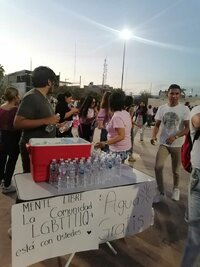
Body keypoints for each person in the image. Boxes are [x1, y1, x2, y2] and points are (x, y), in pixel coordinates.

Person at [14, 66, 61, 173]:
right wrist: (46, 120)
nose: (54, 86)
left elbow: (43, 120)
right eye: (53, 82)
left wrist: (56, 124)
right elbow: (17, 123)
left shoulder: (43, 97)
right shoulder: (31, 96)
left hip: (42, 147)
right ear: (49, 82)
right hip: (34, 149)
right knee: (33, 181)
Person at [150, 84, 190, 203]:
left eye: (177, 94)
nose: (174, 96)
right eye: (172, 93)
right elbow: (157, 125)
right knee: (158, 167)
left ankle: (176, 189)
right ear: (167, 94)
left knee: (176, 170)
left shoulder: (184, 109)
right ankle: (161, 192)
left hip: (177, 144)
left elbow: (187, 128)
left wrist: (175, 136)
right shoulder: (162, 108)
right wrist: (153, 136)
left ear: (180, 95)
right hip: (164, 143)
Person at [180, 105, 200, 267]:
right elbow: (197, 121)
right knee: (196, 235)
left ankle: (190, 213)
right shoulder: (197, 111)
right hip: (198, 175)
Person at [95, 91, 132, 162]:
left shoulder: (117, 116)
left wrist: (105, 143)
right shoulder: (126, 113)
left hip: (118, 150)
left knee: (113, 170)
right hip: (125, 148)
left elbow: (121, 135)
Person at [0, 87, 21, 193]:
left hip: (2, 138)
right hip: (14, 138)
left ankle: (2, 179)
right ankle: (7, 184)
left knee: (1, 160)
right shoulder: (17, 110)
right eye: (19, 95)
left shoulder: (1, 108)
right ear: (15, 97)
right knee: (11, 162)